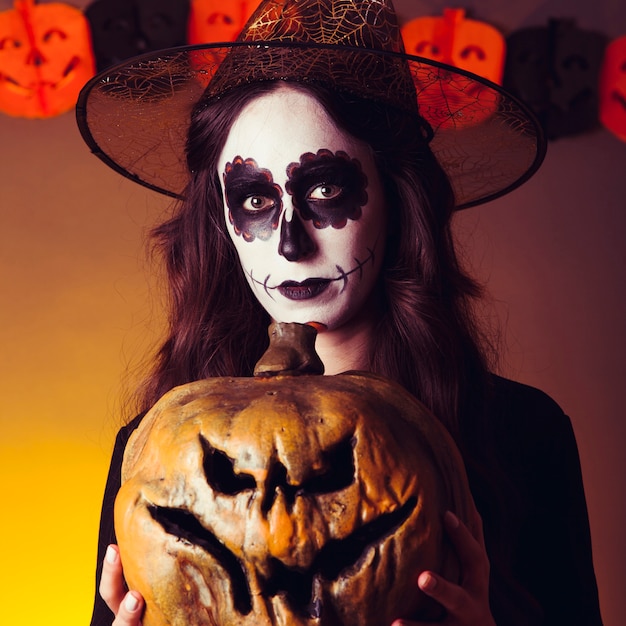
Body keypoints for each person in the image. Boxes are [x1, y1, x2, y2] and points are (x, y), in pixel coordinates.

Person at [76, 1, 603, 625]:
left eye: (325, 189)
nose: (289, 243)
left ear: (397, 200)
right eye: (253, 199)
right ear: (221, 223)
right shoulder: (156, 454)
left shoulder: (525, 432)